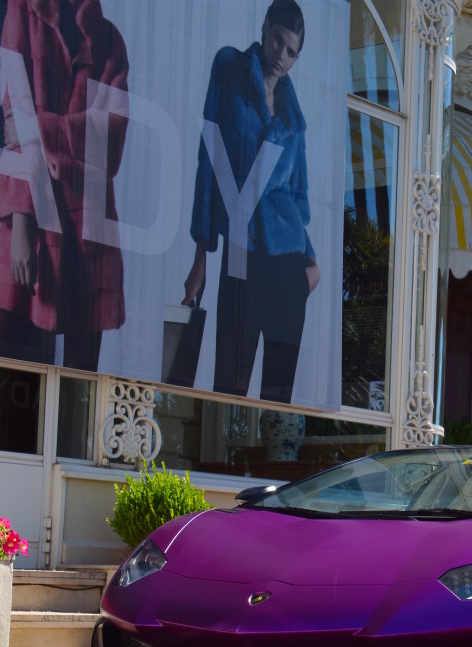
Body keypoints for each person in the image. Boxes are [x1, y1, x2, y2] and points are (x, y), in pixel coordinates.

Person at [182, 0, 319, 404]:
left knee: (278, 400)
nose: (281, 55)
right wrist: (200, 257)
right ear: (265, 27)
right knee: (229, 387)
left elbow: (300, 202)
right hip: (240, 254)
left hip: (288, 264)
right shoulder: (229, 69)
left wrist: (310, 270)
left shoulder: (295, 121)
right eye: (278, 39)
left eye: (291, 51)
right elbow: (209, 161)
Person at [0, 0, 129, 372]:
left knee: (78, 396)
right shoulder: (22, 12)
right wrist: (20, 223)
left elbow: (109, 144)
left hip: (87, 231)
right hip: (28, 213)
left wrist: (39, 127)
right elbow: (13, 113)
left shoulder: (110, 42)